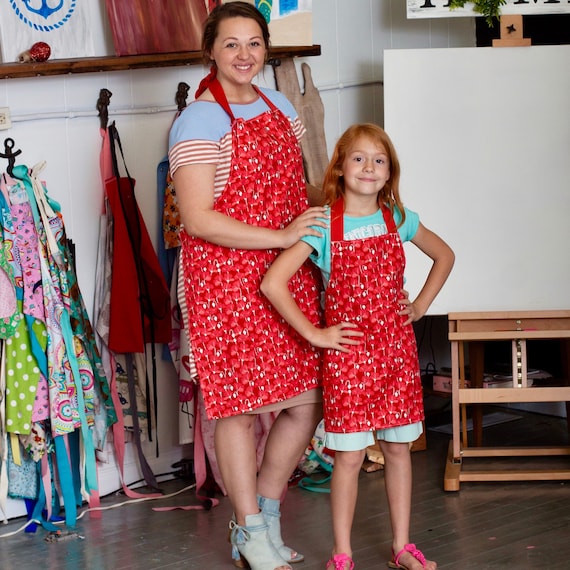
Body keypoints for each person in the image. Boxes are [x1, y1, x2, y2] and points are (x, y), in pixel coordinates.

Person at [168, 3, 327, 570]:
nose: (244, 55)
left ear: (266, 48)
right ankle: (249, 531)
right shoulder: (199, 120)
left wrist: (342, 206)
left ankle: (264, 511)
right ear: (210, 48)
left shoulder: (279, 104)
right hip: (226, 281)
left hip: (285, 272)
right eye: (231, 44)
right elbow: (197, 218)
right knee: (236, 407)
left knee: (306, 400)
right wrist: (280, 234)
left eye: (254, 43)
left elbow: (295, 184)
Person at [261, 123, 455, 570]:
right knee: (347, 458)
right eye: (359, 158)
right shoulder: (325, 224)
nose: (369, 167)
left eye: (379, 160)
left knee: (398, 451)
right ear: (341, 168)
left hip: (396, 355)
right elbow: (274, 282)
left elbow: (445, 255)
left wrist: (421, 305)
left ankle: (401, 546)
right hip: (347, 360)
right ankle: (342, 554)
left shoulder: (399, 218)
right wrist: (315, 333)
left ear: (389, 173)